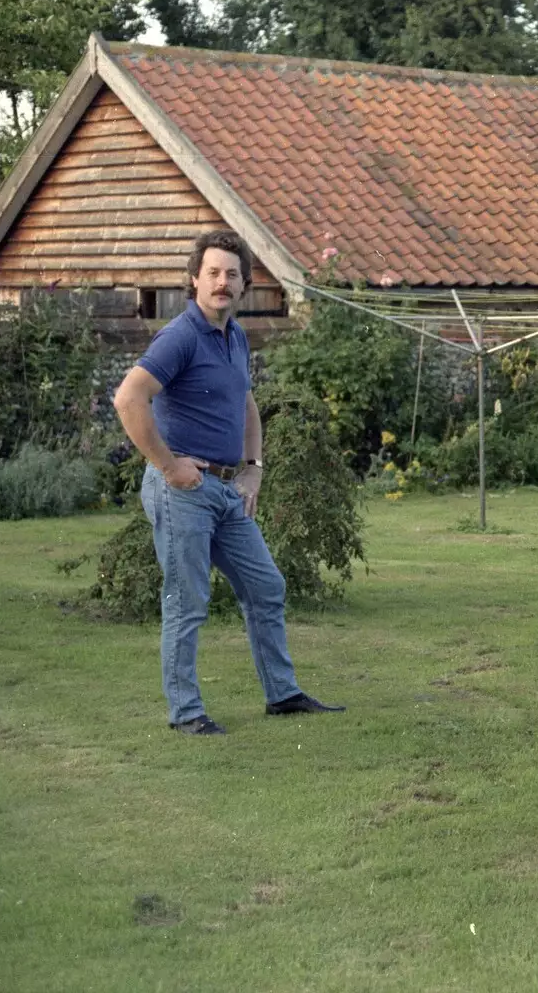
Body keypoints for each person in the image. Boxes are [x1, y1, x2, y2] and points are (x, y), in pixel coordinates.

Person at [113, 230, 344, 735]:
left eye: (232, 274)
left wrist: (254, 466)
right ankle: (186, 712)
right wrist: (170, 466)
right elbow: (129, 399)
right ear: (194, 279)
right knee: (188, 600)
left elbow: (245, 405)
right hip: (183, 492)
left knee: (266, 586)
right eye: (213, 272)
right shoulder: (179, 336)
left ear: (244, 285)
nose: (222, 282)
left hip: (225, 489)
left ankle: (282, 695)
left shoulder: (234, 335)